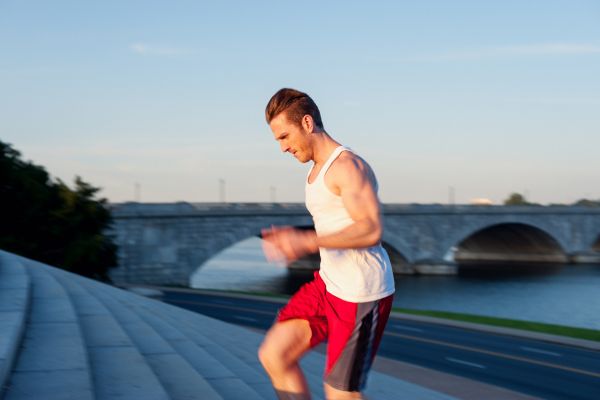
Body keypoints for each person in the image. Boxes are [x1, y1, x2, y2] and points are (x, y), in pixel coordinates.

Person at [258, 88, 395, 400]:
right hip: (329, 286)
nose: (282, 148)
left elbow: (371, 229)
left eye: (284, 137)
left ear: (307, 123)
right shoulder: (314, 171)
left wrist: (306, 240)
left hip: (362, 294)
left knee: (339, 393)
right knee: (274, 354)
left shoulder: (348, 167)